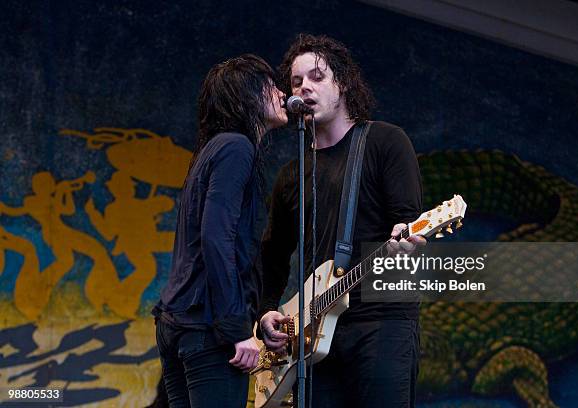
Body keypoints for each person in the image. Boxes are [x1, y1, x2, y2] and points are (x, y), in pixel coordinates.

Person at [258, 35, 425, 407]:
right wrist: (266, 310)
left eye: (317, 77)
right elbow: (272, 256)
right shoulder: (293, 173)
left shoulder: (385, 142)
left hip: (381, 320)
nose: (305, 88)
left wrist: (405, 235)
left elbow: (408, 223)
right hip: (310, 331)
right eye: (297, 82)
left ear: (343, 82)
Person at [153, 54, 288, 408]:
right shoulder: (235, 148)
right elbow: (216, 238)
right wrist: (236, 330)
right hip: (206, 327)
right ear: (249, 96)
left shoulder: (214, 150)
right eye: (271, 85)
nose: (282, 91)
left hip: (179, 322)